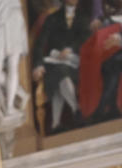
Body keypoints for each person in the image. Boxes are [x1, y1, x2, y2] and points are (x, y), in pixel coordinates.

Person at [31, 0, 93, 131]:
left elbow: (87, 38)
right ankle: (76, 110)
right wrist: (37, 65)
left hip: (76, 63)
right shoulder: (52, 18)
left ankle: (56, 123)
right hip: (54, 62)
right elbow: (40, 44)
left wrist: (70, 49)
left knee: (60, 74)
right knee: (59, 72)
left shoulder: (83, 17)